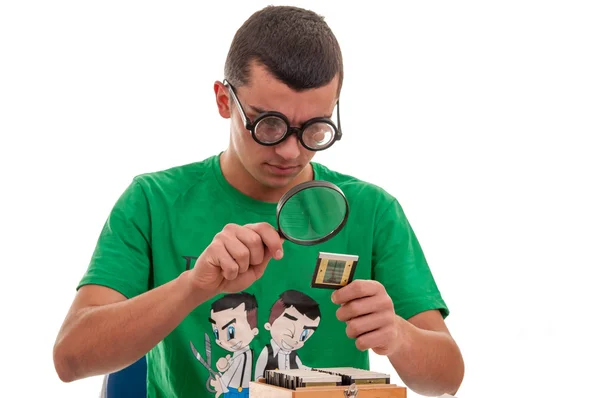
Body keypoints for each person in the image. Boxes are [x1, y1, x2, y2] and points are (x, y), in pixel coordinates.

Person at [53, 5, 464, 397]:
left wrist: (397, 334)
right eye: (269, 125)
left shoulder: (373, 211)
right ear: (223, 100)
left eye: (315, 129)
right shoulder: (153, 201)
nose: (290, 151)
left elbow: (447, 377)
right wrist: (193, 287)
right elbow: (70, 359)